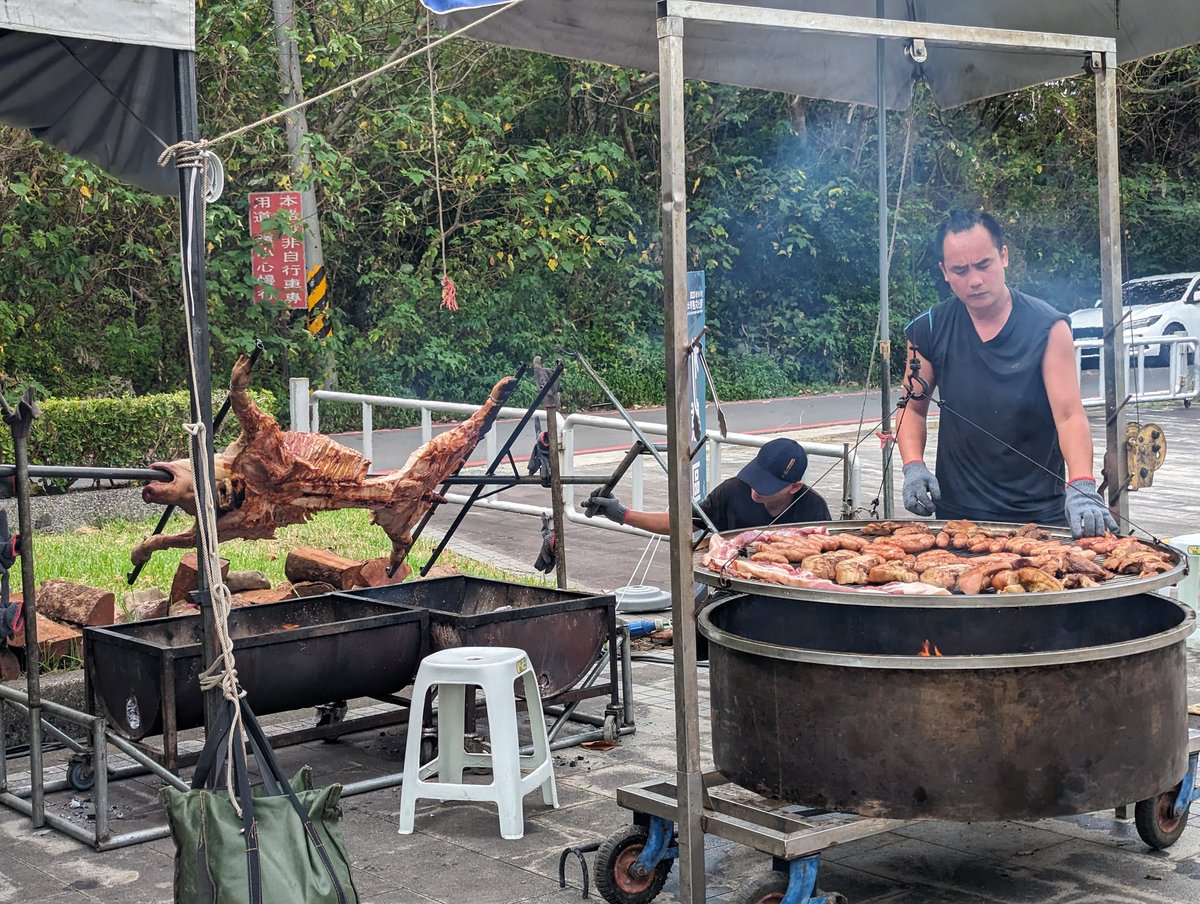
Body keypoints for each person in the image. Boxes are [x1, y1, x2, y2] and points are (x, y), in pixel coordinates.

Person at [896, 208, 1117, 538]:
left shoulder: (1048, 327)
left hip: (1038, 515)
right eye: (960, 270)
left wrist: (1081, 484)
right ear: (944, 272)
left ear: (1003, 256)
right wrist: (913, 466)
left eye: (983, 265)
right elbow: (911, 408)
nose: (974, 280)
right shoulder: (928, 328)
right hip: (957, 516)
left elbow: (1069, 415)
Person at [582, 437, 831, 533]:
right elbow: (682, 523)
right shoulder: (734, 491)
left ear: (794, 487)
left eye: (767, 485)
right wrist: (622, 514)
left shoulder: (813, 509)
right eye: (756, 477)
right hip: (735, 592)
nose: (755, 488)